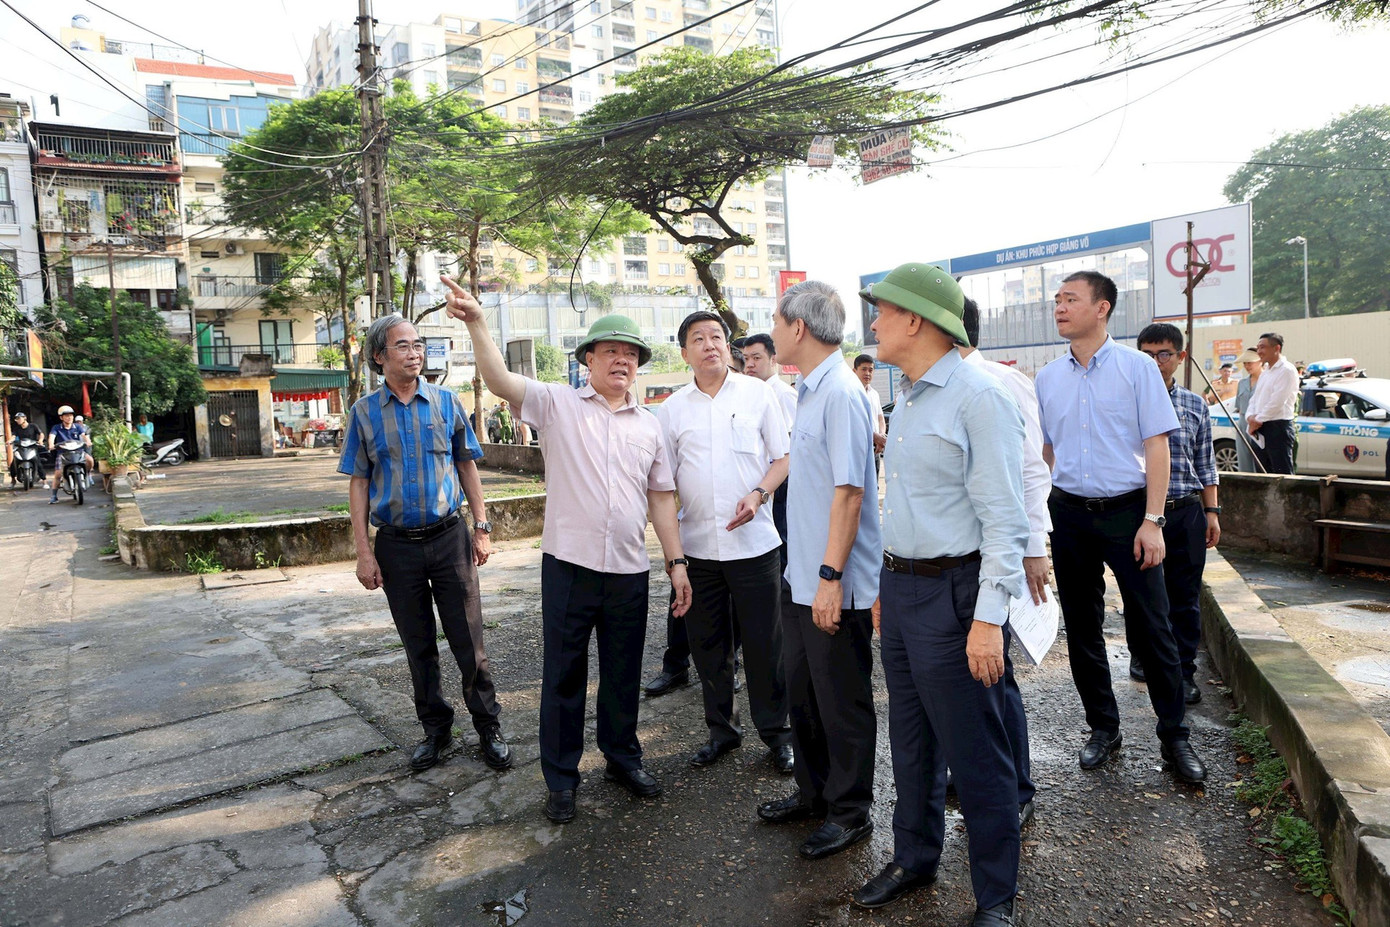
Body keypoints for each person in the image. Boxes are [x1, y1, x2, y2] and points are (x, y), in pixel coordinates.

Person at [443, 275, 693, 825]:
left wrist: (676, 563)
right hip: (569, 567)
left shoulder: (650, 426)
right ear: (589, 360)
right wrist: (478, 322)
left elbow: (661, 498)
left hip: (628, 569)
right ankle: (561, 778)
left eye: (631, 354)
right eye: (611, 351)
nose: (622, 361)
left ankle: (623, 759)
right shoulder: (557, 403)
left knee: (624, 672)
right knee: (562, 677)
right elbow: (499, 379)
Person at [849, 266, 1029, 927]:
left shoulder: (979, 397)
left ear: (916, 320)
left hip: (956, 593)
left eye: (882, 311)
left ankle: (996, 895)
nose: (874, 323)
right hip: (901, 589)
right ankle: (914, 856)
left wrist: (988, 620)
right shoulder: (910, 396)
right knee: (912, 738)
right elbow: (906, 504)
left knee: (976, 752)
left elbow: (1005, 520)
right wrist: (883, 585)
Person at [1034, 271, 1206, 785]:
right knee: (1082, 627)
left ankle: (1175, 737)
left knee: (1154, 625)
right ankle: (1103, 729)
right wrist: (1038, 518)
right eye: (1057, 300)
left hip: (1129, 513)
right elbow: (1046, 452)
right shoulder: (1048, 377)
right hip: (1068, 514)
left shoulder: (1138, 368)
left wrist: (1153, 521)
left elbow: (1158, 446)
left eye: (1071, 299)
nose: (1060, 307)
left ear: (1102, 307)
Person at [338, 314, 512, 775]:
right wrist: (363, 552)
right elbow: (359, 482)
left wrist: (481, 527)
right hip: (396, 547)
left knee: (469, 641)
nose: (414, 353)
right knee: (418, 646)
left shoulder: (446, 402)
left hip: (449, 538)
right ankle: (436, 731)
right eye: (403, 346)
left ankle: (488, 727)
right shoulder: (364, 413)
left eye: (418, 345)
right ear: (379, 356)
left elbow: (467, 465)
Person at [756, 280, 881, 862]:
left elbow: (849, 494)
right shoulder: (809, 390)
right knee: (804, 696)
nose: (772, 333)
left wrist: (831, 578)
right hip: (800, 574)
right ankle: (814, 794)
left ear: (798, 328)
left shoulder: (842, 394)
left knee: (842, 701)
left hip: (834, 582)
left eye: (776, 323)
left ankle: (851, 811)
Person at [655, 311, 793, 774]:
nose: (710, 344)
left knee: (765, 646)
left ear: (727, 347)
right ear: (685, 353)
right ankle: (722, 732)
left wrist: (759, 494)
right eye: (698, 338)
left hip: (755, 547)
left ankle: (777, 734)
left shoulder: (757, 394)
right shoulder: (672, 409)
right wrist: (674, 558)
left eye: (716, 336)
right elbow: (662, 486)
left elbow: (782, 458)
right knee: (709, 647)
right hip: (698, 551)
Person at [959, 297, 1049, 830]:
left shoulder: (1001, 382)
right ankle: (971, 774)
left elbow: (1032, 471)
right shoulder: (926, 387)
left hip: (993, 551)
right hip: (947, 558)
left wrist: (1034, 548)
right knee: (959, 677)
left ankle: (1016, 786)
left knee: (995, 672)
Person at [1133, 323, 1221, 706]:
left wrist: (1212, 511)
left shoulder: (1195, 405)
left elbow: (1206, 462)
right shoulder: (1127, 399)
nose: (1155, 362)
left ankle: (1184, 673)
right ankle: (1142, 656)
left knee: (1184, 598)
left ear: (1180, 357)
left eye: (1163, 354)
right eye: (1147, 354)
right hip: (1139, 514)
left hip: (1185, 513)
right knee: (1142, 595)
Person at [1245, 332, 1300, 475]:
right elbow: (1254, 398)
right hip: (1259, 428)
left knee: (1281, 475)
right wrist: (1250, 417)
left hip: (1278, 428)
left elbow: (1277, 402)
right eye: (1258, 347)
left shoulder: (1287, 370)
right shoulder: (1266, 372)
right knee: (1263, 474)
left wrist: (1257, 420)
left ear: (1277, 348)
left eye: (1262, 347)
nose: (1259, 351)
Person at [852, 354, 888, 478]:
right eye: (864, 369)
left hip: (875, 449)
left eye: (870, 370)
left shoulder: (874, 394)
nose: (867, 373)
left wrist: (881, 436)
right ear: (854, 371)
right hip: (859, 449)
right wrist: (874, 436)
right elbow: (854, 423)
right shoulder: (850, 394)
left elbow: (880, 418)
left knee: (874, 485)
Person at [48, 405, 93, 503]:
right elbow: (51, 436)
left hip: (78, 451)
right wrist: (51, 444)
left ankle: (88, 473)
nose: (69, 418)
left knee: (90, 460)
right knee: (58, 474)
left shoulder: (77, 426)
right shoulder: (56, 428)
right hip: (63, 453)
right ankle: (54, 496)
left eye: (71, 415)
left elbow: (84, 435)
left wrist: (88, 441)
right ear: (61, 417)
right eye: (66, 416)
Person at [1233, 348, 1263, 473]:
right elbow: (1239, 405)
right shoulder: (1242, 383)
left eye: (1250, 362)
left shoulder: (1266, 380)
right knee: (1244, 459)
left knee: (1260, 461)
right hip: (1243, 422)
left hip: (1260, 423)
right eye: (1245, 363)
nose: (1247, 366)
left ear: (1260, 361)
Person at [8, 412, 45, 486]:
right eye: (16, 419)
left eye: (19, 418)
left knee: (38, 462)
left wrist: (40, 440)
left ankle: (45, 481)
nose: (17, 420)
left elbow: (41, 433)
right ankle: (13, 480)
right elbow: (13, 436)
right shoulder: (17, 428)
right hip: (21, 448)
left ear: (24, 418)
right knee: (13, 462)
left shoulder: (33, 426)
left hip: (32, 448)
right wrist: (10, 440)